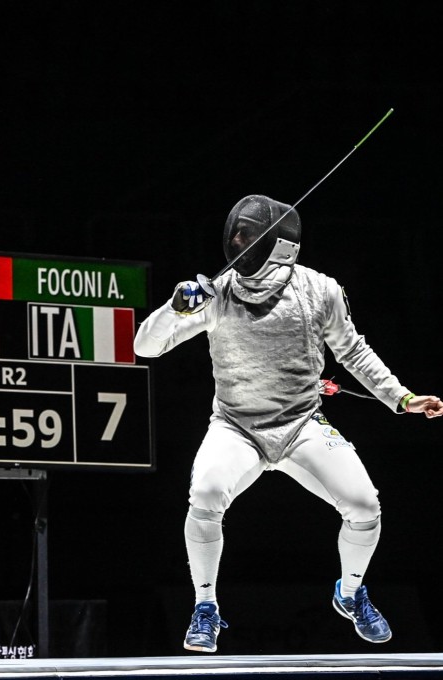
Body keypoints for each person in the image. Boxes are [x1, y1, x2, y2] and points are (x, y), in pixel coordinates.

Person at [133, 194, 442, 653]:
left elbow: (353, 351)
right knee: (205, 494)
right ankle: (206, 608)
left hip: (301, 426)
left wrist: (402, 398)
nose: (239, 244)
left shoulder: (320, 291)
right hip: (236, 428)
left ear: (278, 246)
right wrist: (173, 309)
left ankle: (352, 594)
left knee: (364, 507)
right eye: (236, 234)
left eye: (248, 236)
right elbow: (146, 346)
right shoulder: (217, 294)